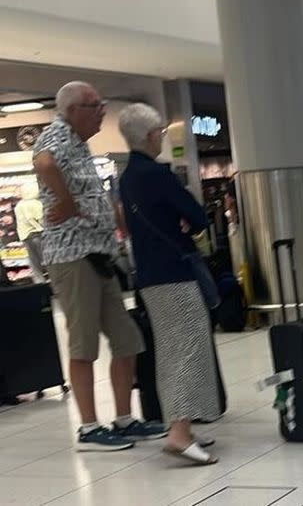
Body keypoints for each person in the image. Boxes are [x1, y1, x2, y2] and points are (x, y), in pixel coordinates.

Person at [32, 81, 164, 451]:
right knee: (83, 344)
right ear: (72, 110)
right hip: (72, 257)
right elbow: (43, 162)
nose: (103, 111)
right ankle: (89, 428)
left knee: (126, 339)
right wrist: (66, 203)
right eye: (96, 105)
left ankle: (124, 419)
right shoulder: (56, 134)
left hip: (98, 254)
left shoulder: (78, 142)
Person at [117, 103, 221, 465]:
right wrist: (188, 224)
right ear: (150, 135)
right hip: (174, 272)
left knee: (169, 349)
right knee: (188, 346)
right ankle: (179, 431)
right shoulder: (157, 174)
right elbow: (195, 214)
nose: (161, 136)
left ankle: (184, 425)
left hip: (148, 274)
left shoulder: (127, 176)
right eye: (159, 132)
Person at [14, 182, 47, 283]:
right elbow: (40, 219)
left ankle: (39, 282)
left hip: (25, 236)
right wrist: (42, 228)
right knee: (47, 259)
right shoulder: (35, 203)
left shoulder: (19, 205)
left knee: (34, 261)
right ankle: (55, 281)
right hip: (37, 234)